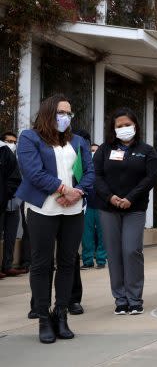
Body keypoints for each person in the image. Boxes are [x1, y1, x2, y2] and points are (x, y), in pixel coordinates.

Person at [16, 94, 95, 343]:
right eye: (61, 112)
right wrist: (63, 189)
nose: (66, 117)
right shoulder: (30, 138)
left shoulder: (78, 141)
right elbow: (32, 171)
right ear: (49, 112)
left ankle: (61, 314)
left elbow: (91, 172)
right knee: (41, 264)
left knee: (68, 262)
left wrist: (77, 192)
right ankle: (43, 318)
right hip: (43, 209)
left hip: (73, 209)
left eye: (69, 113)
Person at [95, 107, 157, 315]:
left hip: (135, 208)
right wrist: (110, 197)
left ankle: (134, 298)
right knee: (113, 253)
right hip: (108, 208)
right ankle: (120, 299)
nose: (124, 129)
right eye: (119, 126)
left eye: (127, 125)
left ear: (135, 126)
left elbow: (152, 177)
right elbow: (96, 176)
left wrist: (130, 198)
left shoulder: (147, 150)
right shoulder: (105, 149)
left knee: (131, 250)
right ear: (113, 129)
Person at [82, 143, 107, 269]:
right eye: (91, 150)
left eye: (96, 151)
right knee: (87, 236)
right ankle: (87, 260)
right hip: (88, 206)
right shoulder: (84, 168)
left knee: (103, 235)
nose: (94, 153)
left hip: (102, 206)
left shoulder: (105, 167)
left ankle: (101, 260)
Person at [1, 133, 22, 278]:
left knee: (11, 235)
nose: (11, 144)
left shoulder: (21, 156)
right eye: (8, 141)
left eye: (14, 141)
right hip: (2, 201)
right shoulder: (3, 154)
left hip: (15, 203)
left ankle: (7, 265)